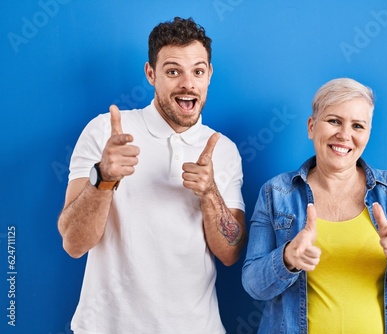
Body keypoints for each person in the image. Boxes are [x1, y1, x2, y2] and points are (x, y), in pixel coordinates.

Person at [57, 17, 246, 334]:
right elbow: (74, 244)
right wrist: (103, 178)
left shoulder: (223, 150)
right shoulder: (105, 131)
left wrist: (210, 193)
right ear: (151, 74)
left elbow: (230, 254)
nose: (187, 83)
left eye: (198, 71)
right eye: (173, 71)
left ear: (209, 75)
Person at [241, 78, 387, 333]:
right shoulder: (276, 193)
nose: (344, 135)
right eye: (334, 121)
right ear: (311, 126)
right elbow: (253, 285)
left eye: (358, 126)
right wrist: (287, 258)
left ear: (367, 134)